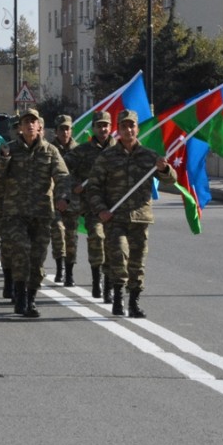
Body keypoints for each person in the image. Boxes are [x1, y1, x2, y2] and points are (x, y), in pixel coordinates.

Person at [86, 110, 176, 318]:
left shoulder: (149, 156)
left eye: (132, 126)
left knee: (137, 262)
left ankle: (134, 302)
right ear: (118, 129)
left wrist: (164, 170)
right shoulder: (106, 157)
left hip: (140, 217)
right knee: (119, 255)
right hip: (115, 217)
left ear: (137, 128)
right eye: (124, 126)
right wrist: (101, 210)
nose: (128, 130)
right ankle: (118, 296)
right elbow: (94, 187)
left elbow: (170, 180)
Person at [0, 108, 70, 318]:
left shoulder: (50, 151)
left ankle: (31, 297)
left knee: (37, 259)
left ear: (40, 126)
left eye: (33, 122)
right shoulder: (8, 150)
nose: (29, 125)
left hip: (42, 214)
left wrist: (62, 196)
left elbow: (62, 175)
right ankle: (20, 295)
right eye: (25, 122)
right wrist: (4, 159)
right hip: (15, 214)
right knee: (21, 252)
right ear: (20, 127)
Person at [64, 111, 119, 301]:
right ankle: (97, 280)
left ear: (111, 127)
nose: (103, 129)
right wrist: (74, 186)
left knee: (114, 246)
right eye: (99, 125)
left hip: (116, 206)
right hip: (93, 205)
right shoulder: (83, 151)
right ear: (93, 128)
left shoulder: (119, 150)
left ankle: (110, 285)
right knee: (96, 237)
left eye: (106, 125)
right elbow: (62, 168)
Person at [49, 114, 79, 286]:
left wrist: (80, 185)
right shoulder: (50, 149)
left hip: (73, 201)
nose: (65, 132)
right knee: (58, 233)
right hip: (54, 200)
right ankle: (59, 267)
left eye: (67, 128)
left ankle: (69, 271)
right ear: (56, 131)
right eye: (61, 129)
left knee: (71, 237)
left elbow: (85, 172)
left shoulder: (78, 150)